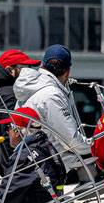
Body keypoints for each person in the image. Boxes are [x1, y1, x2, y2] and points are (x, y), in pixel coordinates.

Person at [16, 46, 87, 177]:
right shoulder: (52, 95)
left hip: (31, 165)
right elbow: (71, 141)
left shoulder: (25, 91)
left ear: (42, 66)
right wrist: (93, 146)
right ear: (68, 72)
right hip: (58, 169)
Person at [0, 106, 69, 203]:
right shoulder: (46, 146)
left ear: (16, 131)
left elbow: (9, 193)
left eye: (8, 127)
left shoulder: (24, 156)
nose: (7, 132)